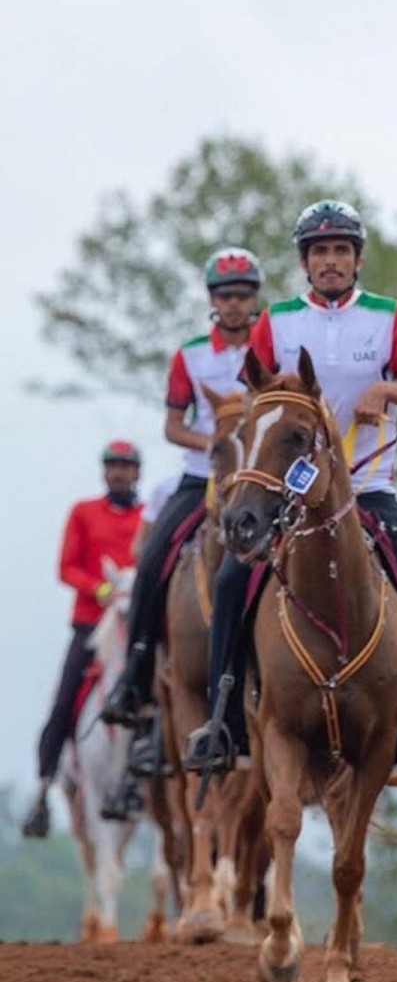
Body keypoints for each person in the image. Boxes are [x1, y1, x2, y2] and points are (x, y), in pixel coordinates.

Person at [183, 199, 397, 780]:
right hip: (285, 494)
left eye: (341, 250)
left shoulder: (387, 317)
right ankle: (223, 723)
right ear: (305, 263)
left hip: (365, 485)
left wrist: (386, 391)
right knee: (233, 581)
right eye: (319, 252)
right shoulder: (278, 320)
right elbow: (252, 399)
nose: (330, 261)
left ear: (357, 259)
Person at [101, 247, 263, 740]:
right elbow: (173, 425)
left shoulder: (272, 344)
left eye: (242, 294)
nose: (234, 304)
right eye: (224, 295)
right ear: (212, 299)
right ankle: (136, 675)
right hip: (204, 475)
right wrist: (209, 442)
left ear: (255, 297)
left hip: (259, 474)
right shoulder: (190, 354)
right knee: (151, 561)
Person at [21, 441, 143, 838]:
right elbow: (66, 567)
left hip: (137, 626)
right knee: (64, 699)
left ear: (137, 472)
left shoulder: (148, 517)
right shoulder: (83, 512)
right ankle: (42, 789)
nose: (119, 473)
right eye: (113, 466)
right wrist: (101, 591)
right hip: (92, 626)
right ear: (104, 471)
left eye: (126, 466)